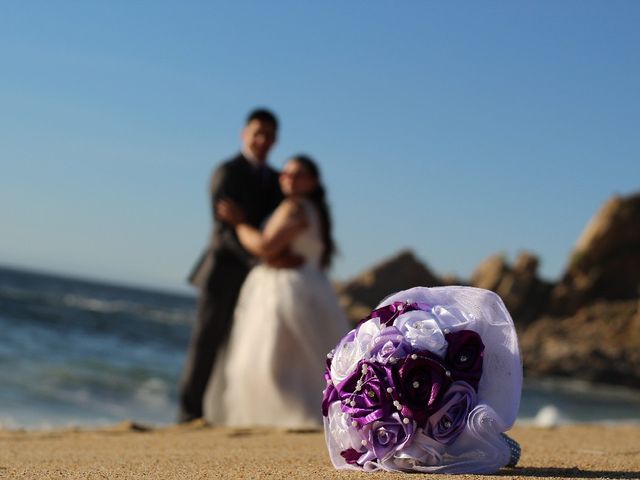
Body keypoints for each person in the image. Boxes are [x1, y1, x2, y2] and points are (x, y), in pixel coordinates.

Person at [204, 155, 350, 428]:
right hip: (312, 286)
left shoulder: (294, 206)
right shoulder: (316, 210)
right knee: (303, 360)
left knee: (265, 359)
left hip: (285, 289)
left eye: (297, 174)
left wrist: (239, 223)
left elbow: (264, 246)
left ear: (313, 181)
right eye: (284, 174)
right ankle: (312, 415)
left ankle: (283, 417)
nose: (288, 178)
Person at [179, 108, 294, 423]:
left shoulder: (275, 180)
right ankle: (188, 414)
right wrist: (259, 257)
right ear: (244, 134)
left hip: (257, 278)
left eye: (269, 135)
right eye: (257, 133)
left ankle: (226, 414)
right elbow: (224, 232)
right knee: (206, 343)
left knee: (241, 347)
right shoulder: (227, 172)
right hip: (222, 271)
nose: (262, 140)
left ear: (275, 140)